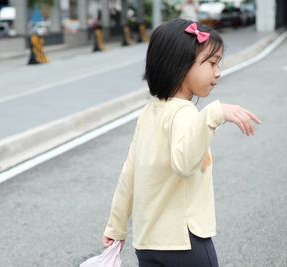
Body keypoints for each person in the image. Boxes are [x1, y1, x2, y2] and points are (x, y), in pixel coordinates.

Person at [102, 18, 261, 267]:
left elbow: (129, 174)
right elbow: (184, 163)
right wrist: (213, 114)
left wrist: (116, 226)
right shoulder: (185, 113)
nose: (217, 72)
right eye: (211, 63)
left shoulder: (149, 112)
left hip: (147, 244)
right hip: (185, 242)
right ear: (181, 65)